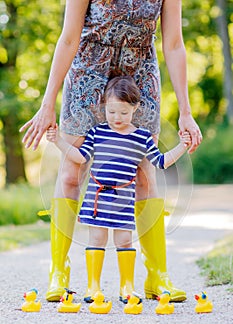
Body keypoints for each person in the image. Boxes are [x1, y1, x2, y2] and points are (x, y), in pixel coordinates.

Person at [19, 0, 202, 302]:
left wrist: (185, 111)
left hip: (140, 72)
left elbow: (174, 44)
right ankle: (59, 272)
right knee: (71, 172)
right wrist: (47, 102)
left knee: (145, 174)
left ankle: (157, 275)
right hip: (88, 70)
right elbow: (68, 37)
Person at [46, 76, 192, 303]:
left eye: (124, 113)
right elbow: (80, 157)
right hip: (98, 200)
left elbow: (161, 161)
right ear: (104, 105)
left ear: (135, 108)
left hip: (124, 201)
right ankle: (93, 288)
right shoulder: (98, 132)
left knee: (124, 241)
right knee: (97, 240)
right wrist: (57, 142)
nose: (117, 118)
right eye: (112, 112)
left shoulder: (142, 137)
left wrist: (183, 146)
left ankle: (127, 287)